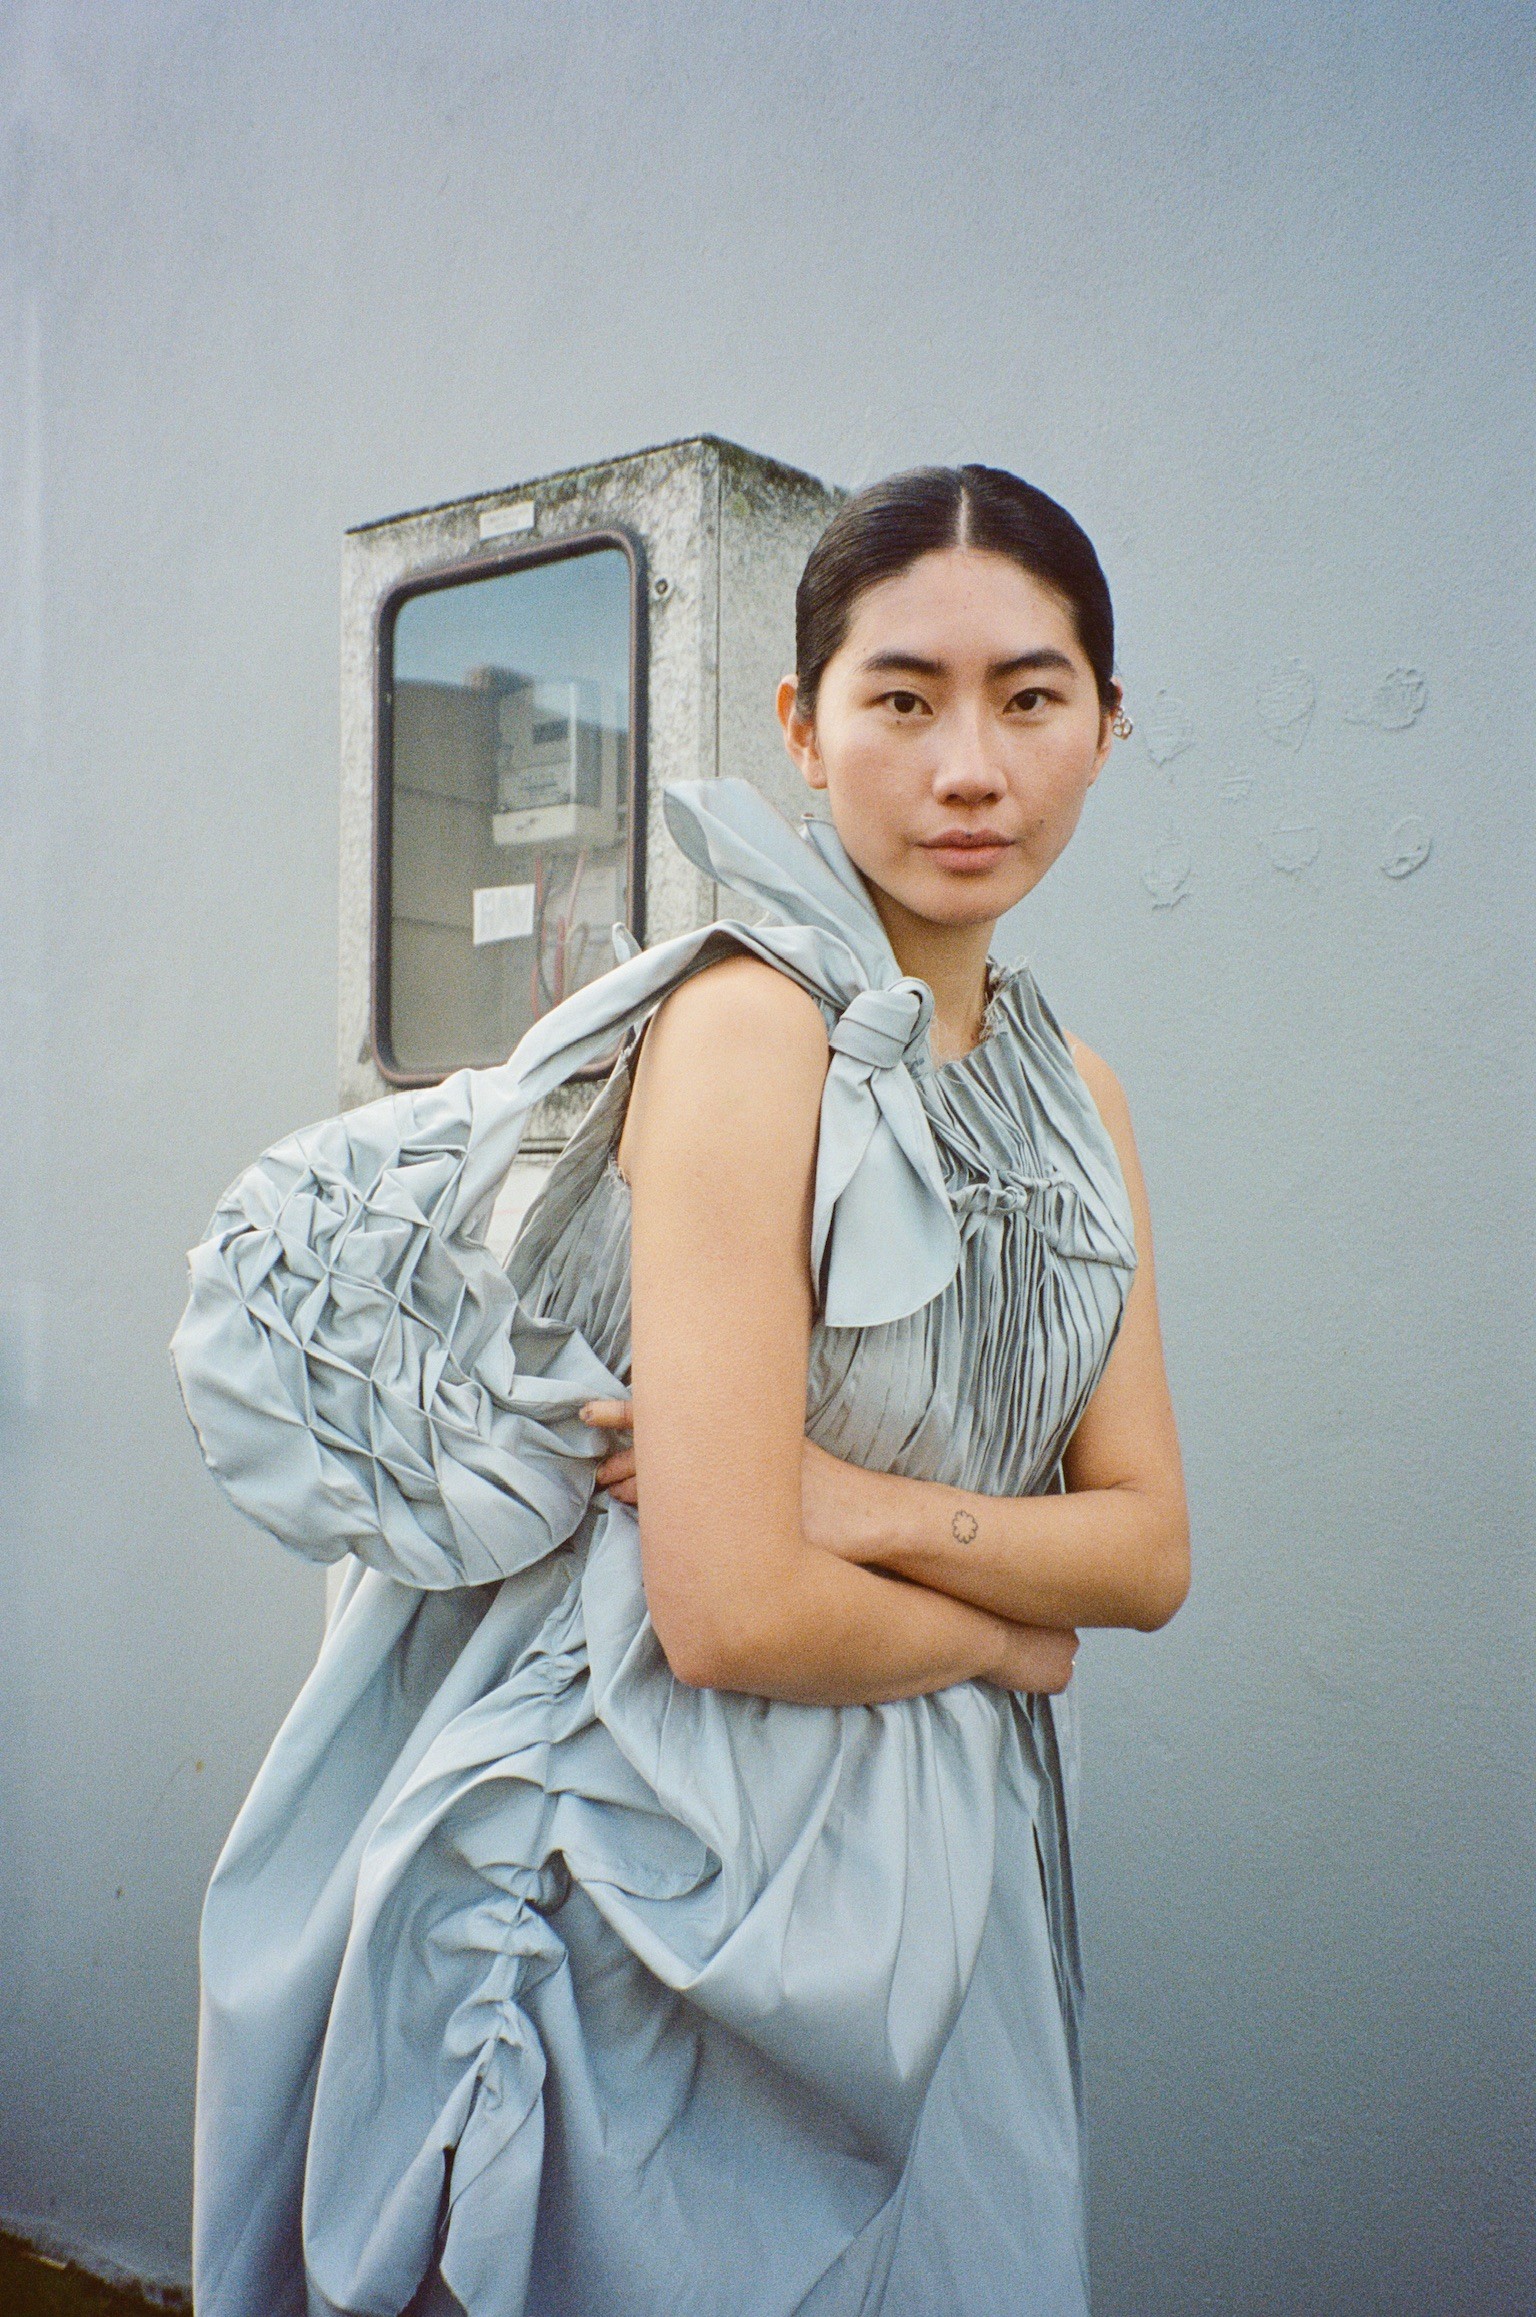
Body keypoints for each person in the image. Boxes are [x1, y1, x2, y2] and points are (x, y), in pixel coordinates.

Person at [171, 463, 1189, 2317]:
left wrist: (851, 1502)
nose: (971, 767)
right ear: (804, 726)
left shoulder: (1080, 1095)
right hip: (657, 1862)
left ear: (1108, 725)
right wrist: (1004, 1630)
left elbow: (1148, 1549)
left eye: (1032, 697)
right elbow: (725, 1610)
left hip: (943, 1885)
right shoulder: (747, 1030)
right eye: (903, 697)